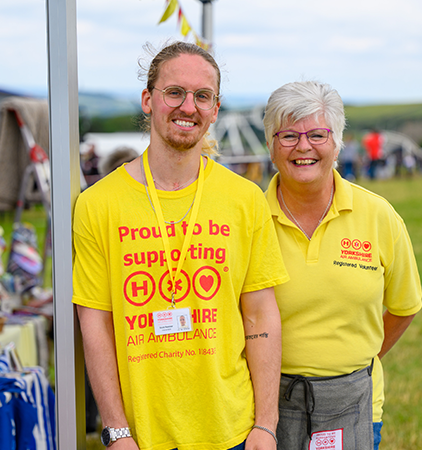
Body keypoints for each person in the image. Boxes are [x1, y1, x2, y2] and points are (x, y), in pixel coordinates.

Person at [72, 41, 289, 450]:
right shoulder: (98, 204)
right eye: (175, 92)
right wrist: (116, 431)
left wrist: (266, 424)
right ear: (148, 100)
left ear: (215, 109)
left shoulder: (244, 199)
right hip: (142, 435)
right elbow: (95, 322)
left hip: (232, 431)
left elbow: (260, 313)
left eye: (202, 96)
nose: (188, 106)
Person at [262, 81, 422, 450]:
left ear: (337, 143)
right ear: (270, 146)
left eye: (317, 134)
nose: (303, 147)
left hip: (354, 402)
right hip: (265, 407)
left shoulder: (378, 215)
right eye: (287, 136)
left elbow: (404, 307)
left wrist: (353, 360)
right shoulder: (248, 219)